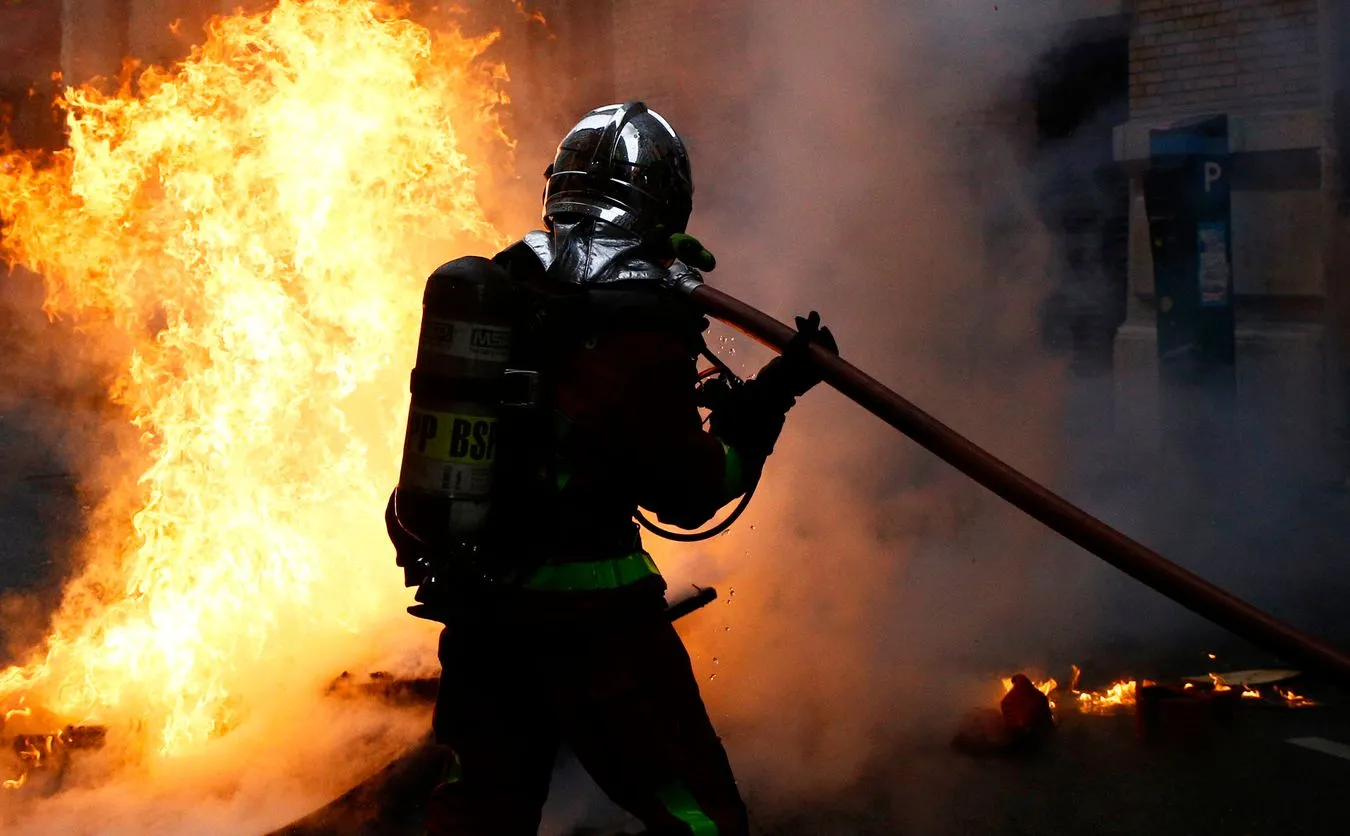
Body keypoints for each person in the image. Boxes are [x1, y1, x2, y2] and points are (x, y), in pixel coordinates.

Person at [388, 101, 836, 835]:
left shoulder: (501, 288)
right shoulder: (641, 319)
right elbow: (691, 495)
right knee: (700, 817)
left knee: (478, 816)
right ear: (665, 206)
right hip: (597, 628)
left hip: (483, 621)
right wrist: (765, 408)